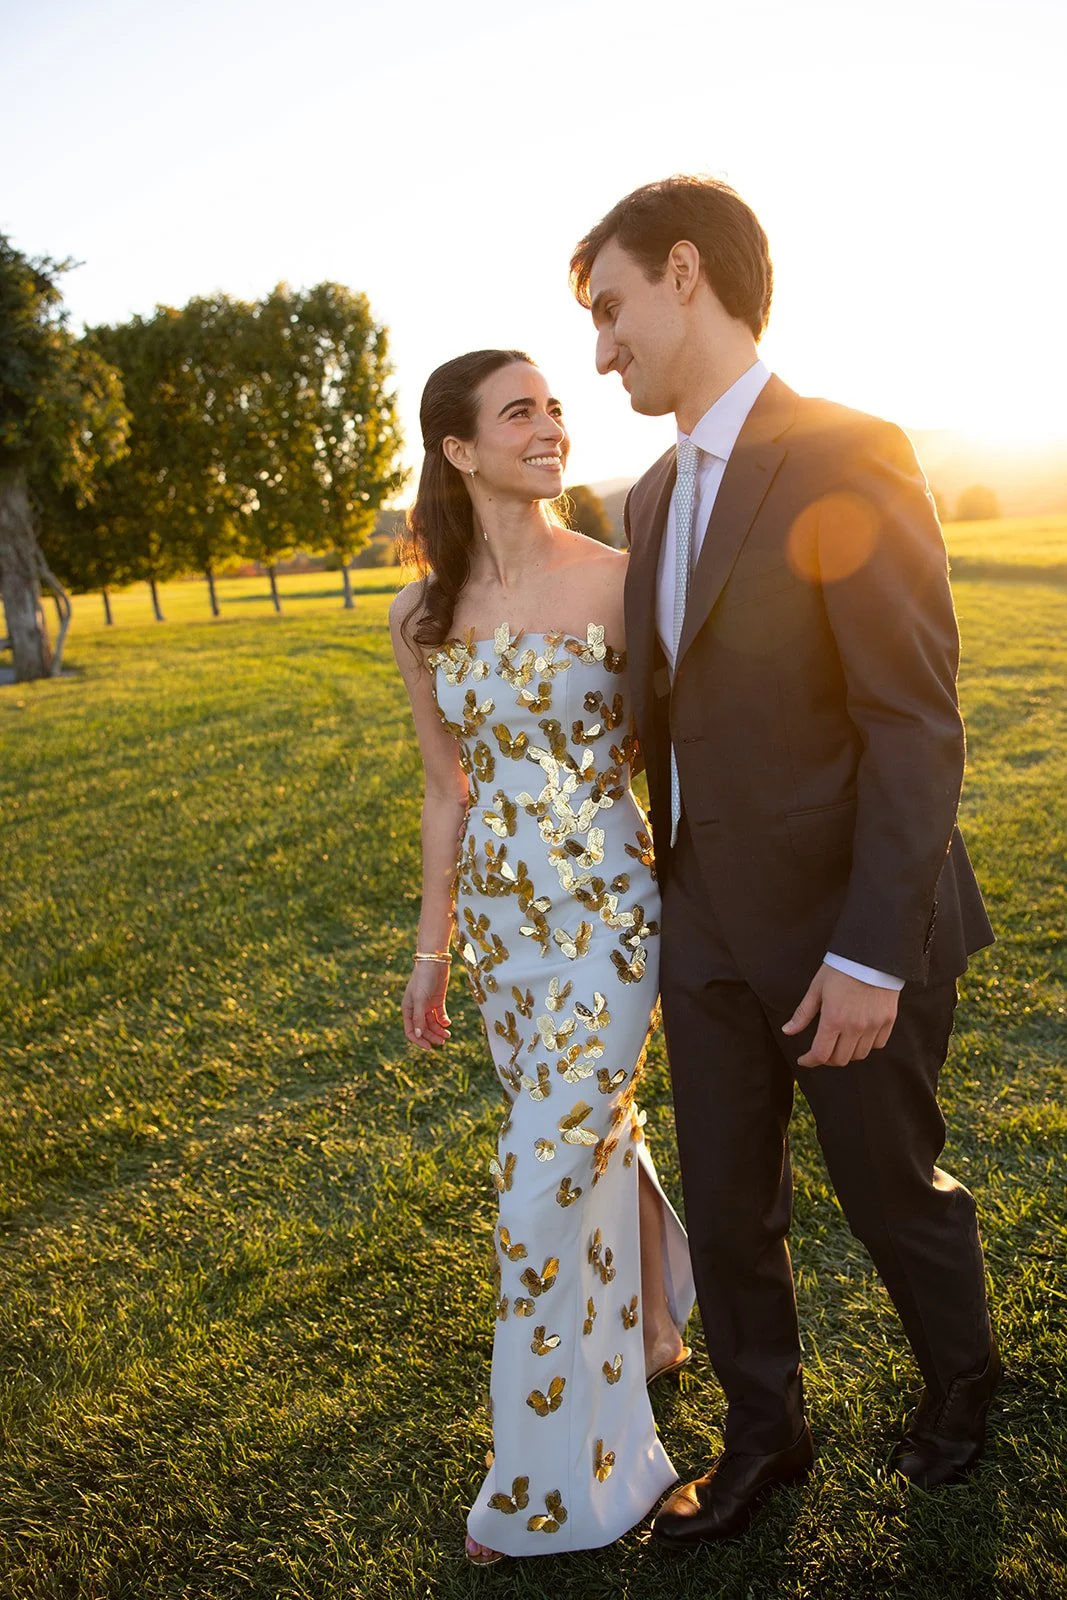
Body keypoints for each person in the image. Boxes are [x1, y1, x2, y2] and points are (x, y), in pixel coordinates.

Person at [568, 177, 1000, 1552]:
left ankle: (962, 1379)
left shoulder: (843, 450)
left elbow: (909, 719)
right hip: (698, 919)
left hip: (841, 929)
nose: (599, 350)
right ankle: (766, 1437)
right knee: (723, 1203)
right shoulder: (646, 499)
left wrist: (873, 950)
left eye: (609, 308)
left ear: (683, 270)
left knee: (885, 1189)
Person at [389, 348, 695, 1564]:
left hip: (612, 920)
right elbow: (441, 789)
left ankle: (538, 1487)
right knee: (590, 1139)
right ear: (461, 450)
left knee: (532, 1193)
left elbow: (676, 754)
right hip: (503, 940)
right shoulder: (420, 615)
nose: (551, 424)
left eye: (553, 405)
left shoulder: (624, 582)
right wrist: (430, 950)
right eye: (521, 411)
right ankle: (660, 1324)